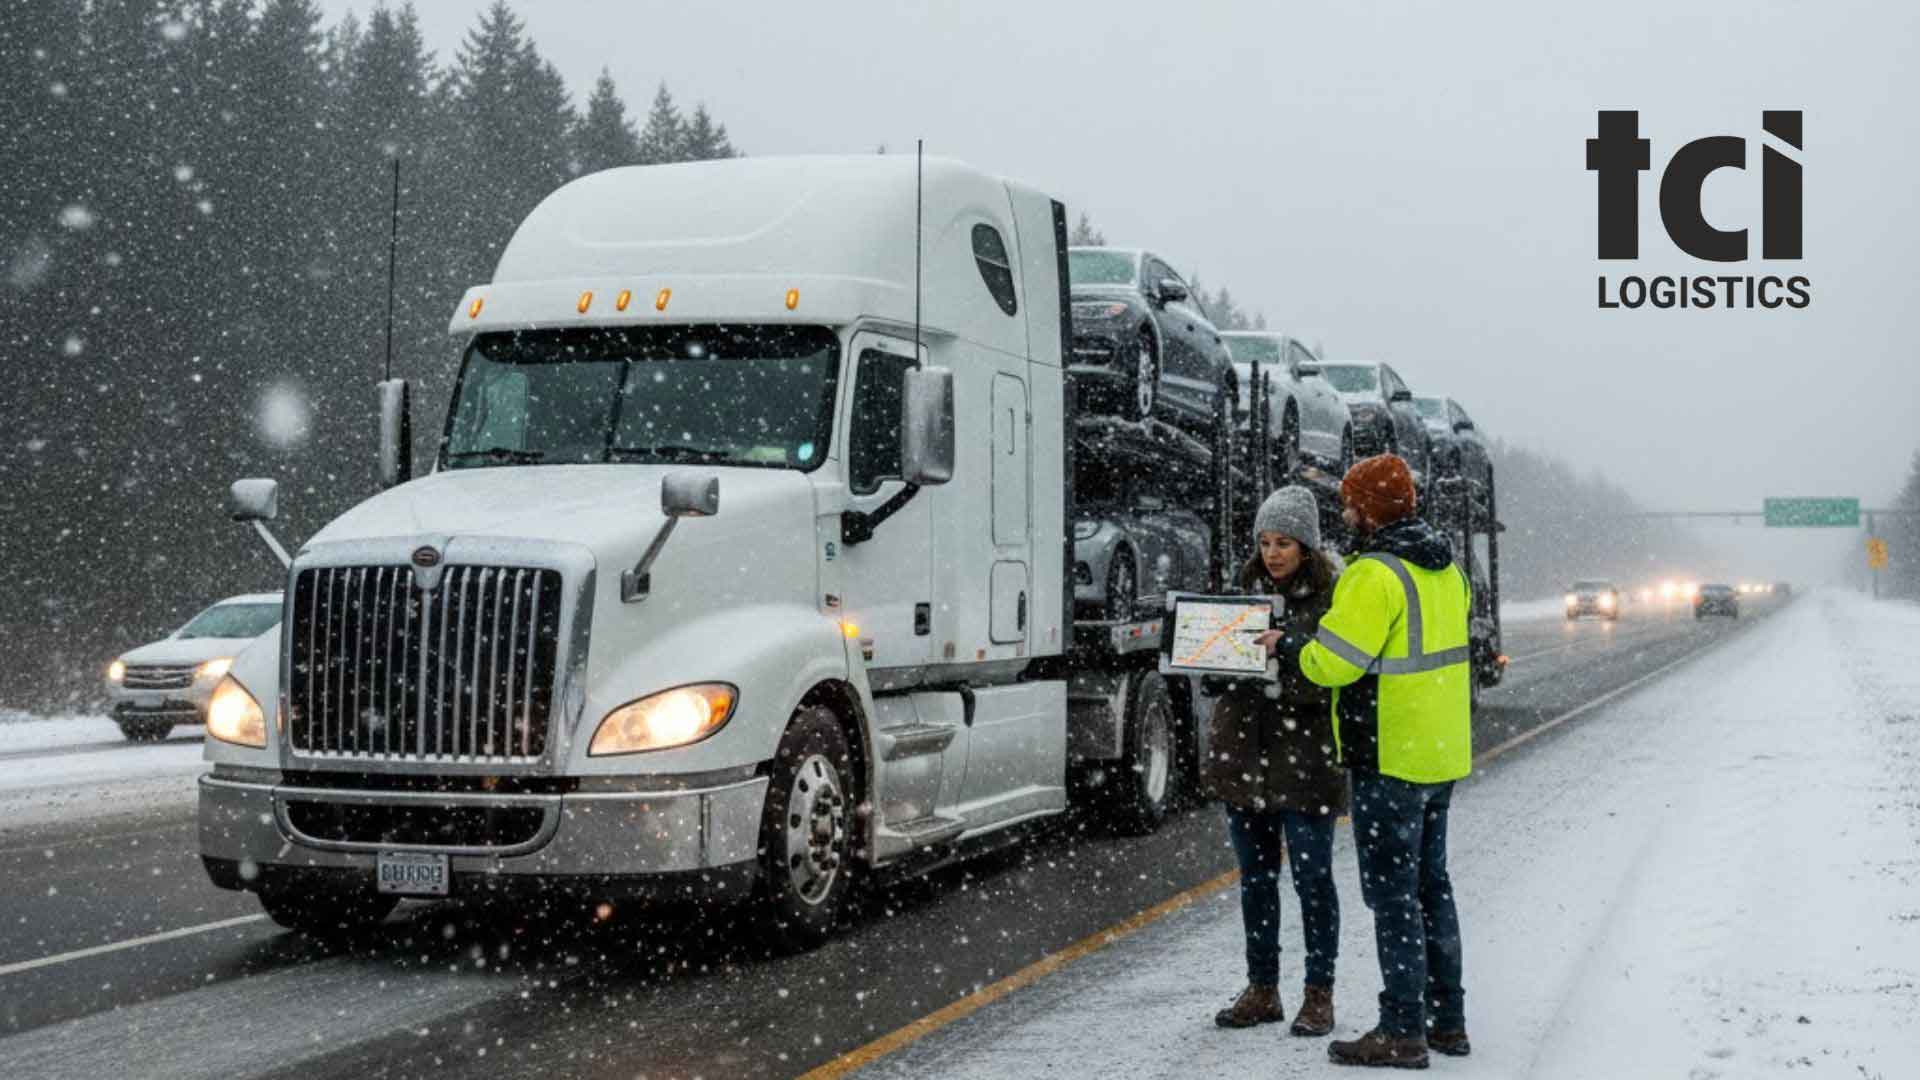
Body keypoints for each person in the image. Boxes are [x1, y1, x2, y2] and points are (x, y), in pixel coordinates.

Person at [1270, 454, 1474, 1069]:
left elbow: (1334, 662)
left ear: (1368, 510)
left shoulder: (1373, 574)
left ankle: (1402, 1029)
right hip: (1440, 753)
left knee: (1392, 896)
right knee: (1432, 887)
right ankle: (1447, 1020)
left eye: (1350, 502)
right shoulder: (1447, 570)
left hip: (1389, 754)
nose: (1344, 511)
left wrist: (1289, 646)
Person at [1205, 486, 1346, 1037]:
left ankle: (1319, 993)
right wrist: (1212, 662)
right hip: (1244, 755)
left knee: (1313, 880)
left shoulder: (1333, 600)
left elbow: (1331, 679)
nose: (1272, 554)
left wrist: (1284, 651)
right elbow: (1222, 674)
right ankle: (1262, 988)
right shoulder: (1242, 591)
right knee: (1256, 880)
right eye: (1265, 542)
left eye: (1284, 542)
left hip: (1305, 759)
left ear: (1306, 546)